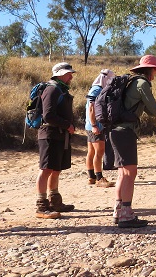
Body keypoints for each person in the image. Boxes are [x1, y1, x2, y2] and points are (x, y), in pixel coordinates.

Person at [108, 55, 156, 228]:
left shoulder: (131, 82)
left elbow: (150, 111)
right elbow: (155, 110)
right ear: (150, 70)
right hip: (126, 132)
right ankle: (126, 215)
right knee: (130, 173)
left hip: (115, 131)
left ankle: (118, 210)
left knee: (123, 173)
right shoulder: (142, 84)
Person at [35, 62, 77, 219]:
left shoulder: (60, 89)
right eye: (68, 73)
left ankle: (55, 202)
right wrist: (67, 125)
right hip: (50, 135)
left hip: (59, 135)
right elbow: (48, 115)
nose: (71, 76)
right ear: (59, 74)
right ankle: (41, 206)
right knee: (46, 169)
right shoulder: (52, 89)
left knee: (56, 169)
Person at [85, 69, 115, 187]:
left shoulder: (95, 89)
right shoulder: (97, 90)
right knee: (99, 151)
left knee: (91, 152)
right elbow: (92, 108)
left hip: (91, 125)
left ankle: (91, 177)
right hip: (95, 126)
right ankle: (99, 178)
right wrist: (94, 125)